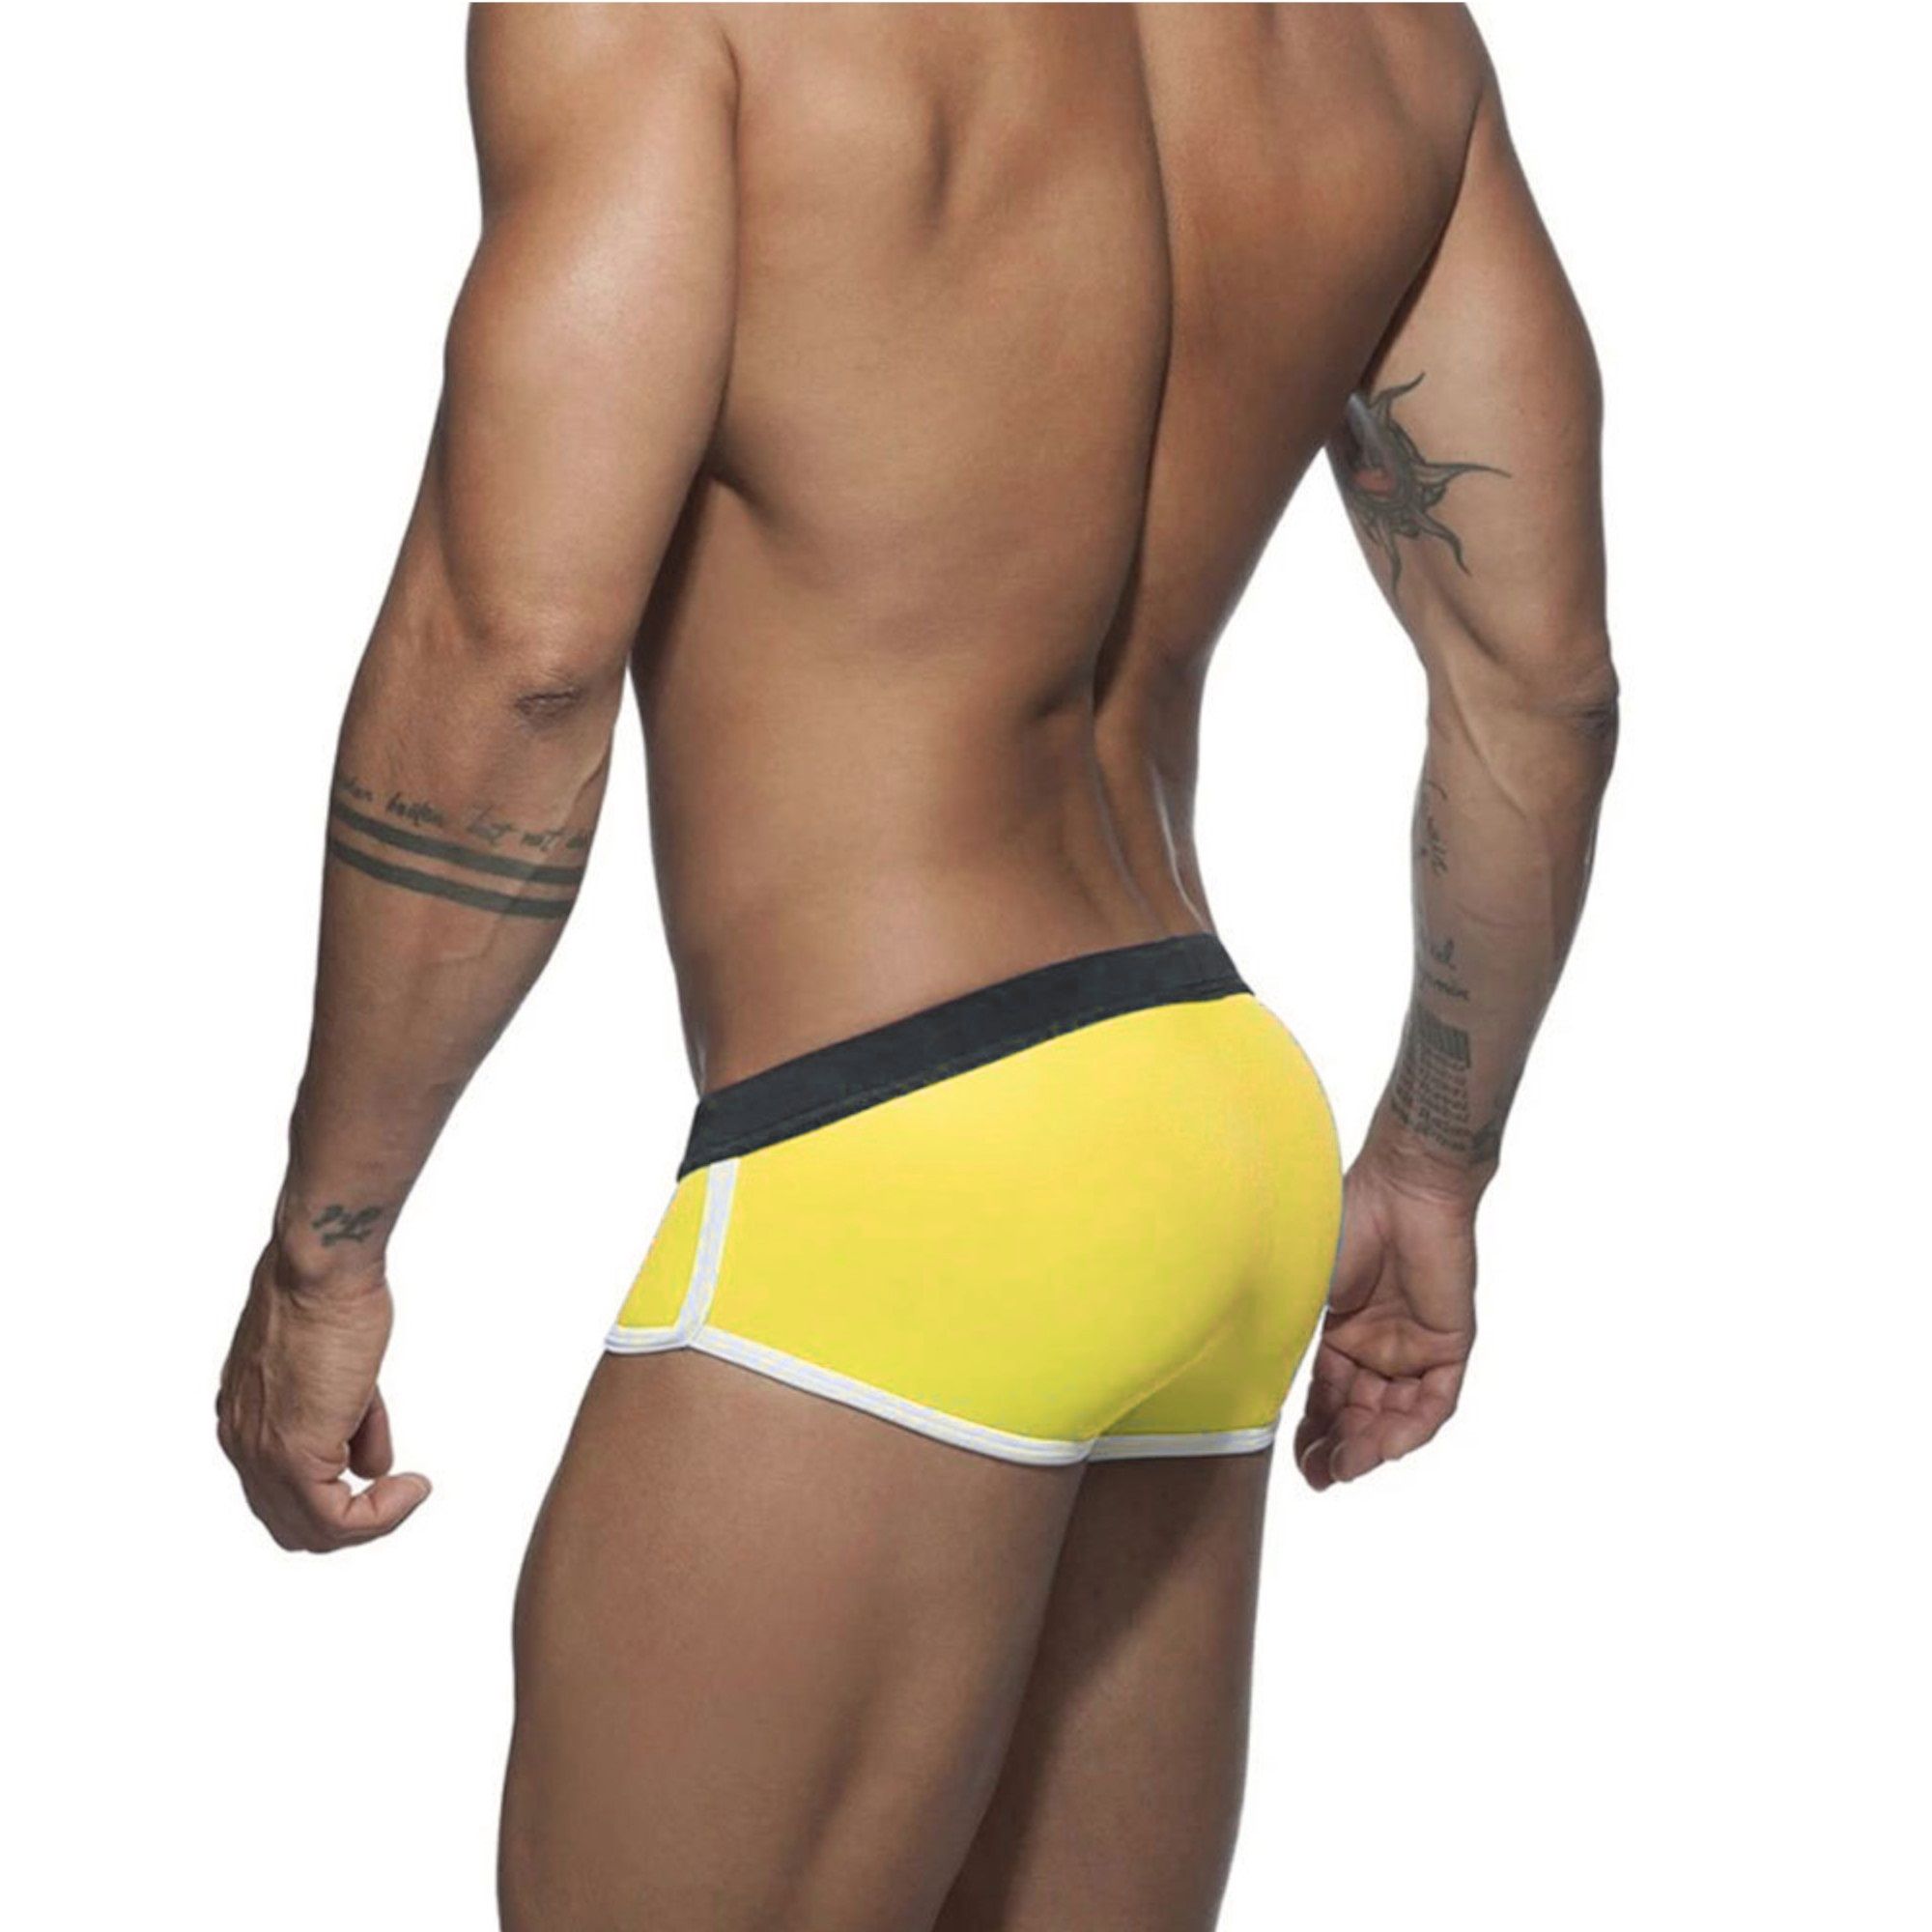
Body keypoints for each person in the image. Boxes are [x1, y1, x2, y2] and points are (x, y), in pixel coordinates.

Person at [216, 7, 1616, 1927]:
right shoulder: (1382, 44)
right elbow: (1540, 686)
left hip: (904, 1153)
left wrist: (330, 1243)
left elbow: (515, 654)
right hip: (1214, 1124)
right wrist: (1436, 1167)